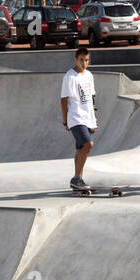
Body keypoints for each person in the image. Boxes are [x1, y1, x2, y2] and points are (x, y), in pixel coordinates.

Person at [61, 46, 98, 190]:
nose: (84, 63)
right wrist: (65, 120)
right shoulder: (69, 76)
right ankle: (77, 178)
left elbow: (92, 98)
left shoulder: (89, 75)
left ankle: (78, 180)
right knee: (88, 145)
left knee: (81, 149)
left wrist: (94, 119)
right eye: (81, 60)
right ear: (75, 59)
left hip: (87, 117)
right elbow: (64, 100)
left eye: (87, 60)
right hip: (75, 117)